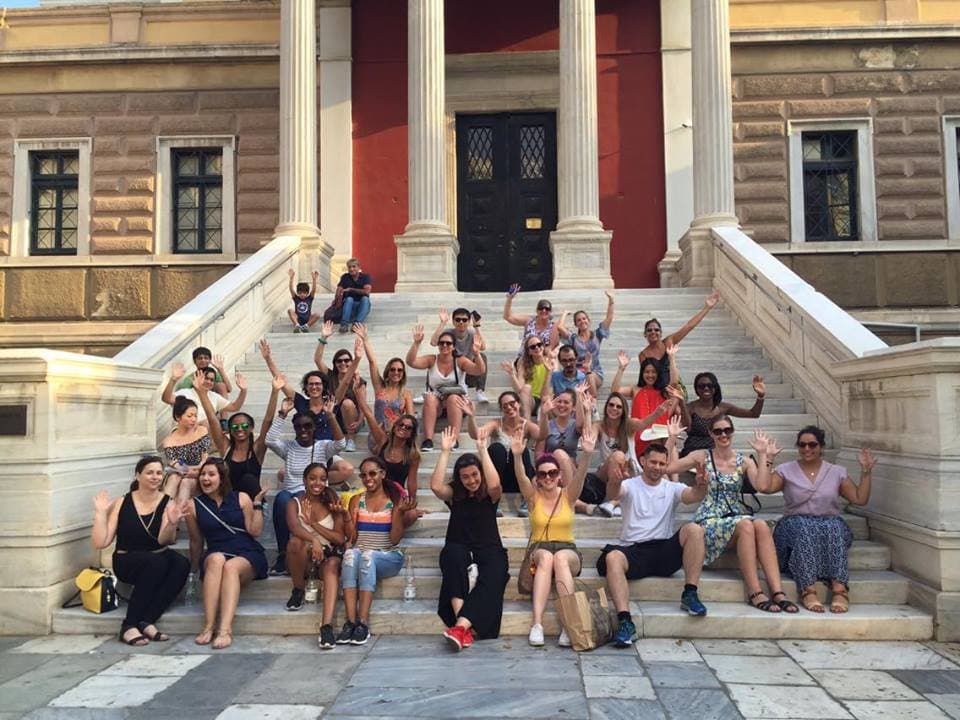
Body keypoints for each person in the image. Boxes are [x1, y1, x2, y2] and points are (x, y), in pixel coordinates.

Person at [664, 415, 799, 614]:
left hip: (735, 516)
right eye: (718, 431)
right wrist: (672, 440)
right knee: (746, 525)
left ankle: (778, 591)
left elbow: (762, 485)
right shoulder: (701, 455)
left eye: (727, 430)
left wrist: (764, 456)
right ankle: (754, 592)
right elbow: (668, 467)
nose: (723, 434)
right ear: (711, 434)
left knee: (760, 525)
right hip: (709, 519)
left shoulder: (743, 461)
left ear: (733, 432)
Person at [597, 428, 710, 648]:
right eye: (653, 462)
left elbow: (692, 496)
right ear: (643, 461)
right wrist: (614, 480)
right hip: (634, 550)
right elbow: (613, 494)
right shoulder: (629, 485)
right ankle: (625, 621)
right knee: (612, 558)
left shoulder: (672, 487)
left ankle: (690, 594)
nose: (657, 467)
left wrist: (702, 486)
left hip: (662, 552)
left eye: (661, 464)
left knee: (695, 530)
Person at [760, 426, 875, 614]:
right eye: (802, 445)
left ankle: (839, 588)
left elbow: (859, 499)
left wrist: (866, 472)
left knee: (834, 527)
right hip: (794, 523)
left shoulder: (836, 472)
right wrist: (768, 458)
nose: (807, 449)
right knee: (804, 528)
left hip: (827, 522)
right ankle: (808, 588)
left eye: (812, 444)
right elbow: (764, 486)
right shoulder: (786, 470)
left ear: (821, 446)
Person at [514, 420, 597, 647]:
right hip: (540, 549)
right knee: (548, 557)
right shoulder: (533, 498)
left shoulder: (568, 495)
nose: (548, 478)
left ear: (559, 475)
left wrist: (587, 455)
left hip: (568, 550)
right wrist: (518, 456)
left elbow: (579, 479)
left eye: (552, 473)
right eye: (542, 475)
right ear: (538, 478)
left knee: (559, 558)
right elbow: (521, 478)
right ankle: (537, 624)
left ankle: (568, 624)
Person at [91, 456, 190, 646]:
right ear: (138, 475)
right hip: (127, 560)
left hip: (156, 556)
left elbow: (165, 540)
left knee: (181, 563)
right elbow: (101, 542)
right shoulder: (123, 502)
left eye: (159, 473)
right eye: (149, 472)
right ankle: (128, 626)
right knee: (155, 563)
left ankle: (147, 620)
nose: (155, 477)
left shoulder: (168, 502)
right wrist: (100, 513)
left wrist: (172, 522)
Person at [432, 426, 510, 651]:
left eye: (475, 475)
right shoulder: (455, 494)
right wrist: (445, 452)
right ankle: (463, 626)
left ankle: (460, 626)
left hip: (489, 547)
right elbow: (436, 486)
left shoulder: (490, 494)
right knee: (451, 557)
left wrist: (482, 450)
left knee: (496, 573)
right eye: (465, 477)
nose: (471, 480)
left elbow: (494, 484)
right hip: (459, 545)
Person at [185, 458, 268, 650]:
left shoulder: (241, 498)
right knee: (216, 559)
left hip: (245, 552)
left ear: (222, 478)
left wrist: (257, 504)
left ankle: (225, 629)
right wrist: (194, 570)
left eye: (211, 474)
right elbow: (196, 541)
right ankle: (208, 626)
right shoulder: (193, 505)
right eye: (203, 474)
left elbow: (254, 531)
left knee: (230, 566)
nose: (205, 478)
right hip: (216, 550)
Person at [336, 457, 418, 645]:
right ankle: (350, 622)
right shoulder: (357, 500)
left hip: (388, 556)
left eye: (372, 473)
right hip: (363, 552)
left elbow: (394, 539)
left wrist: (398, 512)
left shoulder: (395, 500)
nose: (368, 479)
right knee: (350, 554)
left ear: (383, 474)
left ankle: (363, 623)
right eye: (363, 475)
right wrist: (346, 516)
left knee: (367, 556)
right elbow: (353, 539)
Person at [265, 398, 349, 576]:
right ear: (294, 429)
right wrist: (282, 415)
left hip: (317, 492)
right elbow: (270, 441)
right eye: (299, 427)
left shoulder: (323, 446)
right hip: (292, 494)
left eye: (307, 426)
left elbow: (341, 443)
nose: (303, 430)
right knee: (282, 499)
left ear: (314, 428)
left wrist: (331, 416)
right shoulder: (289, 447)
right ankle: (282, 554)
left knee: (290, 498)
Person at [582, 390, 681, 517]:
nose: (614, 408)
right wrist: (587, 412)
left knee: (663, 477)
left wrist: (658, 412)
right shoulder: (600, 425)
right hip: (606, 471)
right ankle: (614, 502)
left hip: (629, 470)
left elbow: (644, 423)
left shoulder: (629, 424)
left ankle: (614, 503)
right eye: (611, 405)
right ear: (606, 407)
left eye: (619, 406)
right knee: (618, 456)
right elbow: (588, 437)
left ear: (623, 410)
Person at [284, 463, 349, 649]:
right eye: (312, 478)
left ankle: (326, 626)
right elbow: (294, 527)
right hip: (302, 559)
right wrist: (314, 540)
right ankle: (298, 590)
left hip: (326, 558)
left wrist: (314, 523)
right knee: (296, 542)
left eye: (322, 478)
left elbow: (339, 537)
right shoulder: (294, 503)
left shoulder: (332, 501)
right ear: (305, 480)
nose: (317, 483)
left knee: (332, 565)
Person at [195, 371, 283, 500]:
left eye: (245, 426)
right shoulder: (225, 447)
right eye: (235, 427)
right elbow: (213, 419)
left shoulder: (257, 449)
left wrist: (275, 391)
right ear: (230, 430)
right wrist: (202, 393)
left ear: (251, 428)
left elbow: (268, 420)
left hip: (253, 502)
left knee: (248, 479)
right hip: (231, 502)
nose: (240, 429)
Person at [406, 324, 485, 451]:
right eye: (441, 343)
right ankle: (428, 440)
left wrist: (477, 354)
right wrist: (416, 344)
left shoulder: (460, 361)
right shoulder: (432, 359)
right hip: (436, 403)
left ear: (453, 346)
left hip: (456, 403)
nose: (444, 346)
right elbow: (411, 362)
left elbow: (479, 370)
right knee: (430, 397)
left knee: (453, 398)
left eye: (448, 343)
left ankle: (454, 438)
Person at [637, 290, 720, 384]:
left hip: (675, 385)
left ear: (661, 333)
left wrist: (707, 307)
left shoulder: (669, 341)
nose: (653, 332)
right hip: (658, 388)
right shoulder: (643, 355)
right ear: (645, 334)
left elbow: (689, 326)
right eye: (649, 330)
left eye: (656, 330)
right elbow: (647, 378)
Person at [611, 345, 680, 457]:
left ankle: (671, 474)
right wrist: (621, 368)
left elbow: (675, 383)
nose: (650, 375)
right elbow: (615, 390)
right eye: (647, 372)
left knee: (672, 445)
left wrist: (671, 358)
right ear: (642, 374)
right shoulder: (635, 389)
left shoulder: (664, 390)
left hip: (662, 433)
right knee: (658, 443)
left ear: (658, 374)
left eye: (653, 372)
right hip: (641, 434)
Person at [680, 371, 766, 457]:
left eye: (710, 385)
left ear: (715, 388)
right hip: (692, 452)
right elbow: (687, 428)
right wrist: (681, 403)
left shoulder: (723, 407)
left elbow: (753, 414)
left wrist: (760, 396)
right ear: (696, 389)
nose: (706, 388)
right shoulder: (690, 407)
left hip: (717, 453)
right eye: (701, 386)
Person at [354, 389, 421, 499]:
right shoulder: (383, 441)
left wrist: (412, 502)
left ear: (411, 434)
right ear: (395, 427)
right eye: (401, 425)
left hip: (396, 494)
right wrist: (358, 394)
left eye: (408, 428)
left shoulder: (413, 455)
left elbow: (412, 481)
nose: (403, 428)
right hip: (376, 491)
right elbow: (369, 416)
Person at [354, 323, 414, 443]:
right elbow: (372, 362)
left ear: (403, 373)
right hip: (377, 435)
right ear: (388, 371)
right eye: (393, 369)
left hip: (397, 436)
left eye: (399, 370)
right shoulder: (380, 387)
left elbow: (411, 419)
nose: (396, 372)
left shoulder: (406, 394)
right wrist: (365, 339)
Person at [314, 329, 366, 452]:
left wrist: (359, 421)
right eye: (339, 361)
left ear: (352, 362)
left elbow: (363, 404)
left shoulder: (358, 381)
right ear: (335, 364)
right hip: (334, 417)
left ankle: (351, 439)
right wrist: (323, 338)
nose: (343, 363)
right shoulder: (330, 376)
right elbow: (317, 359)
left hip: (353, 420)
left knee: (347, 403)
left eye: (347, 360)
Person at [556, 292, 615, 396]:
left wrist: (611, 301)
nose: (582, 321)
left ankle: (592, 403)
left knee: (589, 375)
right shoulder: (573, 339)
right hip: (577, 373)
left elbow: (609, 318)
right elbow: (560, 327)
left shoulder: (598, 334)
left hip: (595, 373)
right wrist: (565, 313)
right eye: (578, 320)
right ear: (575, 324)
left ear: (588, 320)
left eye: (584, 318)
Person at [430, 307, 489, 404]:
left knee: (482, 356)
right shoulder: (448, 333)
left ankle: (480, 391)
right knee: (434, 359)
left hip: (469, 370)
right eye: (457, 320)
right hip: (453, 371)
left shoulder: (472, 333)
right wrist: (442, 323)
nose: (461, 322)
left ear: (468, 321)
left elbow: (483, 347)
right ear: (453, 321)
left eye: (464, 320)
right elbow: (433, 342)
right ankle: (430, 390)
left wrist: (477, 326)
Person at [160, 395, 211, 502]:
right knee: (174, 477)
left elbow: (204, 460)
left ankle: (177, 511)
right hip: (180, 473)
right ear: (178, 417)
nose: (193, 419)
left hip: (200, 473)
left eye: (195, 416)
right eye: (189, 416)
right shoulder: (169, 441)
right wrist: (188, 470)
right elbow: (177, 465)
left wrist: (195, 470)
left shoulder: (201, 431)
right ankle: (161, 511)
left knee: (185, 482)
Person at [163, 363, 247, 427]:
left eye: (211, 380)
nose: (209, 382)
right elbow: (166, 398)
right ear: (197, 377)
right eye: (206, 378)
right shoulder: (185, 393)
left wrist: (243, 391)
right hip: (184, 432)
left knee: (211, 422)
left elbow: (235, 407)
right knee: (208, 422)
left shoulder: (214, 396)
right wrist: (173, 380)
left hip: (205, 435)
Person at [501, 334, 551, 420]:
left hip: (546, 398)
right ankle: (527, 423)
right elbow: (519, 389)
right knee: (526, 387)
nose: (537, 348)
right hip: (530, 400)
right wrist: (512, 374)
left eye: (539, 345)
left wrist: (549, 372)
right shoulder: (523, 362)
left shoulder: (551, 361)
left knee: (545, 402)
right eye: (533, 347)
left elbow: (550, 388)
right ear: (529, 351)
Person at [502, 285, 559, 355]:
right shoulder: (529, 321)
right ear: (537, 311)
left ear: (550, 312)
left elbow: (551, 347)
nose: (544, 311)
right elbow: (508, 317)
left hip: (542, 358)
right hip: (524, 358)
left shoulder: (553, 327)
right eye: (541, 308)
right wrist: (509, 298)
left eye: (547, 309)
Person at [337, 258, 372, 332]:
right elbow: (339, 289)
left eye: (354, 266)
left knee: (365, 299)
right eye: (349, 267)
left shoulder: (365, 277)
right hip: (349, 306)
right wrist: (338, 298)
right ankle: (344, 324)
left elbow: (367, 292)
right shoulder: (345, 277)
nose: (351, 269)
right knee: (349, 299)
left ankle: (356, 324)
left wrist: (351, 289)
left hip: (362, 307)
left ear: (359, 267)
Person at [287, 268, 320, 333]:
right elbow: (291, 289)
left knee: (317, 315)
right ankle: (297, 325)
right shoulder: (296, 298)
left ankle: (306, 327)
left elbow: (313, 290)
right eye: (300, 293)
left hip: (308, 319)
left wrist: (314, 280)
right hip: (298, 319)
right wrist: (291, 278)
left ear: (307, 293)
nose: (302, 294)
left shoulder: (309, 298)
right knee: (290, 310)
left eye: (304, 293)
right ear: (298, 293)